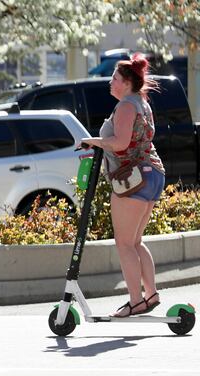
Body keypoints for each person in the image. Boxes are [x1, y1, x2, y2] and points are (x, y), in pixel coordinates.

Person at [80, 53, 165, 317]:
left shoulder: (128, 105)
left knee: (124, 244)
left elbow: (120, 143)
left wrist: (94, 141)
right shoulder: (141, 102)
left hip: (133, 178)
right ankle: (150, 295)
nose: (111, 82)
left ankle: (136, 300)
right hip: (152, 173)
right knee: (136, 241)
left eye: (115, 78)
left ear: (127, 82)